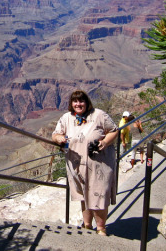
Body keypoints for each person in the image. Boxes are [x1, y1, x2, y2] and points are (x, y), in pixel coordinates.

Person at [52, 90, 118, 236]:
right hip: (76, 166)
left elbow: (114, 130)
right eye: (75, 101)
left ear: (87, 102)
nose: (78, 104)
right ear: (71, 104)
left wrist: (105, 142)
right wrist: (59, 139)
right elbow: (55, 134)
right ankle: (87, 225)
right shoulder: (67, 118)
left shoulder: (99, 115)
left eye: (81, 101)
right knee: (84, 195)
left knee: (99, 195)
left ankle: (101, 228)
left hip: (100, 165)